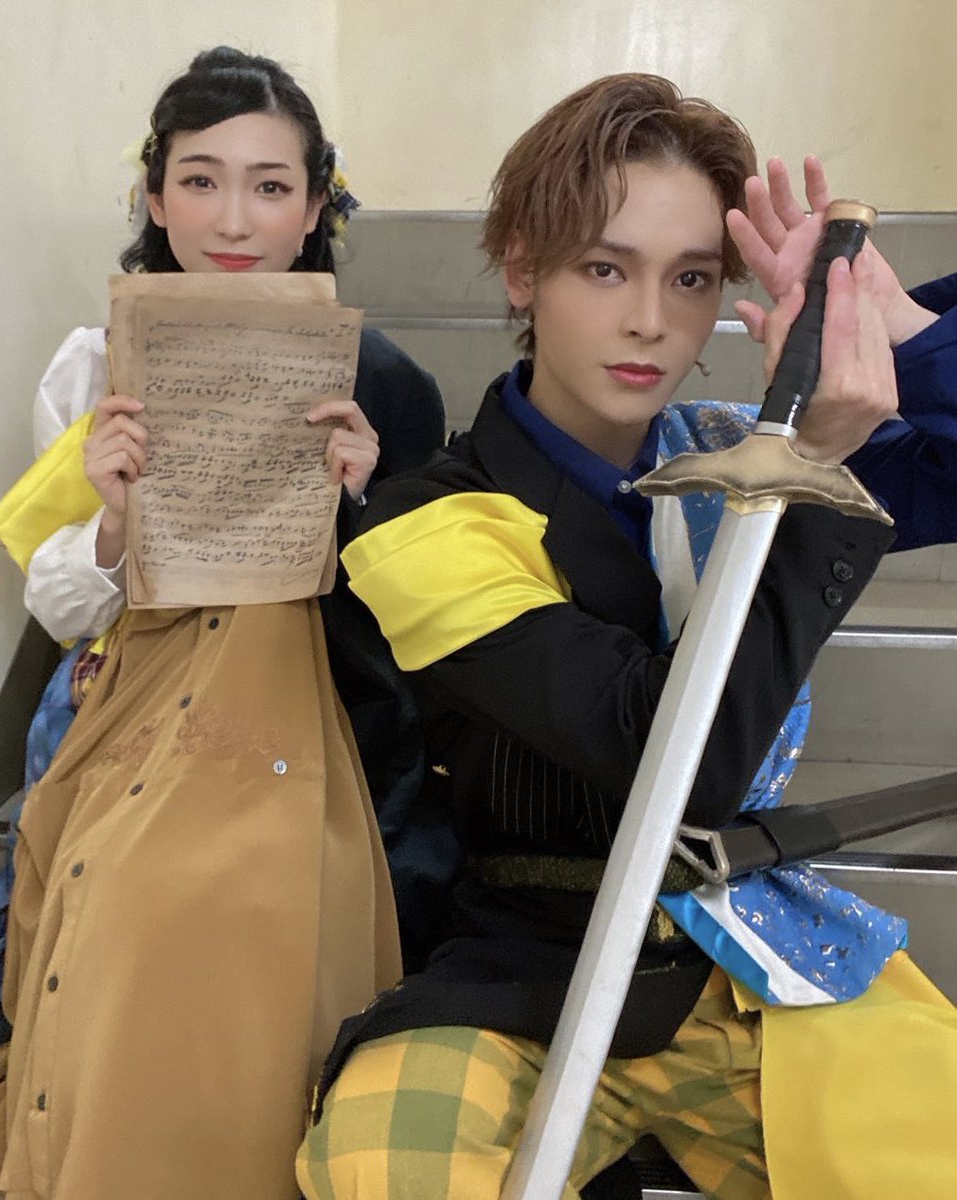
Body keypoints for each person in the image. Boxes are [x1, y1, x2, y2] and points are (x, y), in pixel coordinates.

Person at [295, 74, 957, 1200]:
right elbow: (674, 764)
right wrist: (802, 471)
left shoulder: (726, 448)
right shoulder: (422, 522)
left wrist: (899, 328)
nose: (650, 319)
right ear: (522, 271)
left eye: (690, 277)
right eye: (604, 269)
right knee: (377, 1166)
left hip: (756, 956)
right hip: (525, 971)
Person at [0, 47, 444, 1199]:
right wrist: (111, 520)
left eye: (269, 184)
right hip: (137, 682)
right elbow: (61, 605)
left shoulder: (383, 379)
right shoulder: (97, 367)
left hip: (313, 695)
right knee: (120, 896)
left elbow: (419, 627)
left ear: (315, 206)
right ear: (154, 198)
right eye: (200, 180)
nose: (233, 217)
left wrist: (364, 506)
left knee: (238, 899)